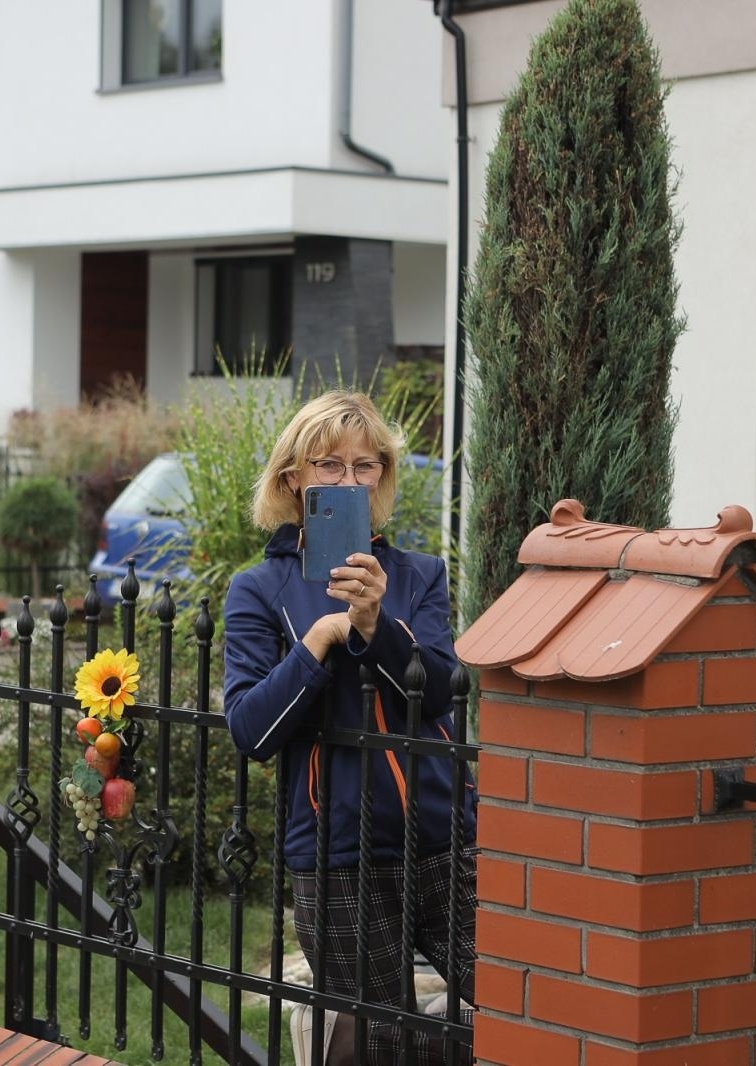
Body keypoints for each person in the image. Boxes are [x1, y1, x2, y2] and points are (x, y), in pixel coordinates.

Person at [223, 390, 477, 1065]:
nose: (347, 481)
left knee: (524, 1002)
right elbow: (251, 730)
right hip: (337, 858)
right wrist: (318, 642)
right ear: (293, 479)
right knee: (383, 1036)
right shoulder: (259, 590)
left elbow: (441, 696)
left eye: (365, 467)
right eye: (329, 465)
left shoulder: (418, 576)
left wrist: (374, 625)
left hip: (444, 839)